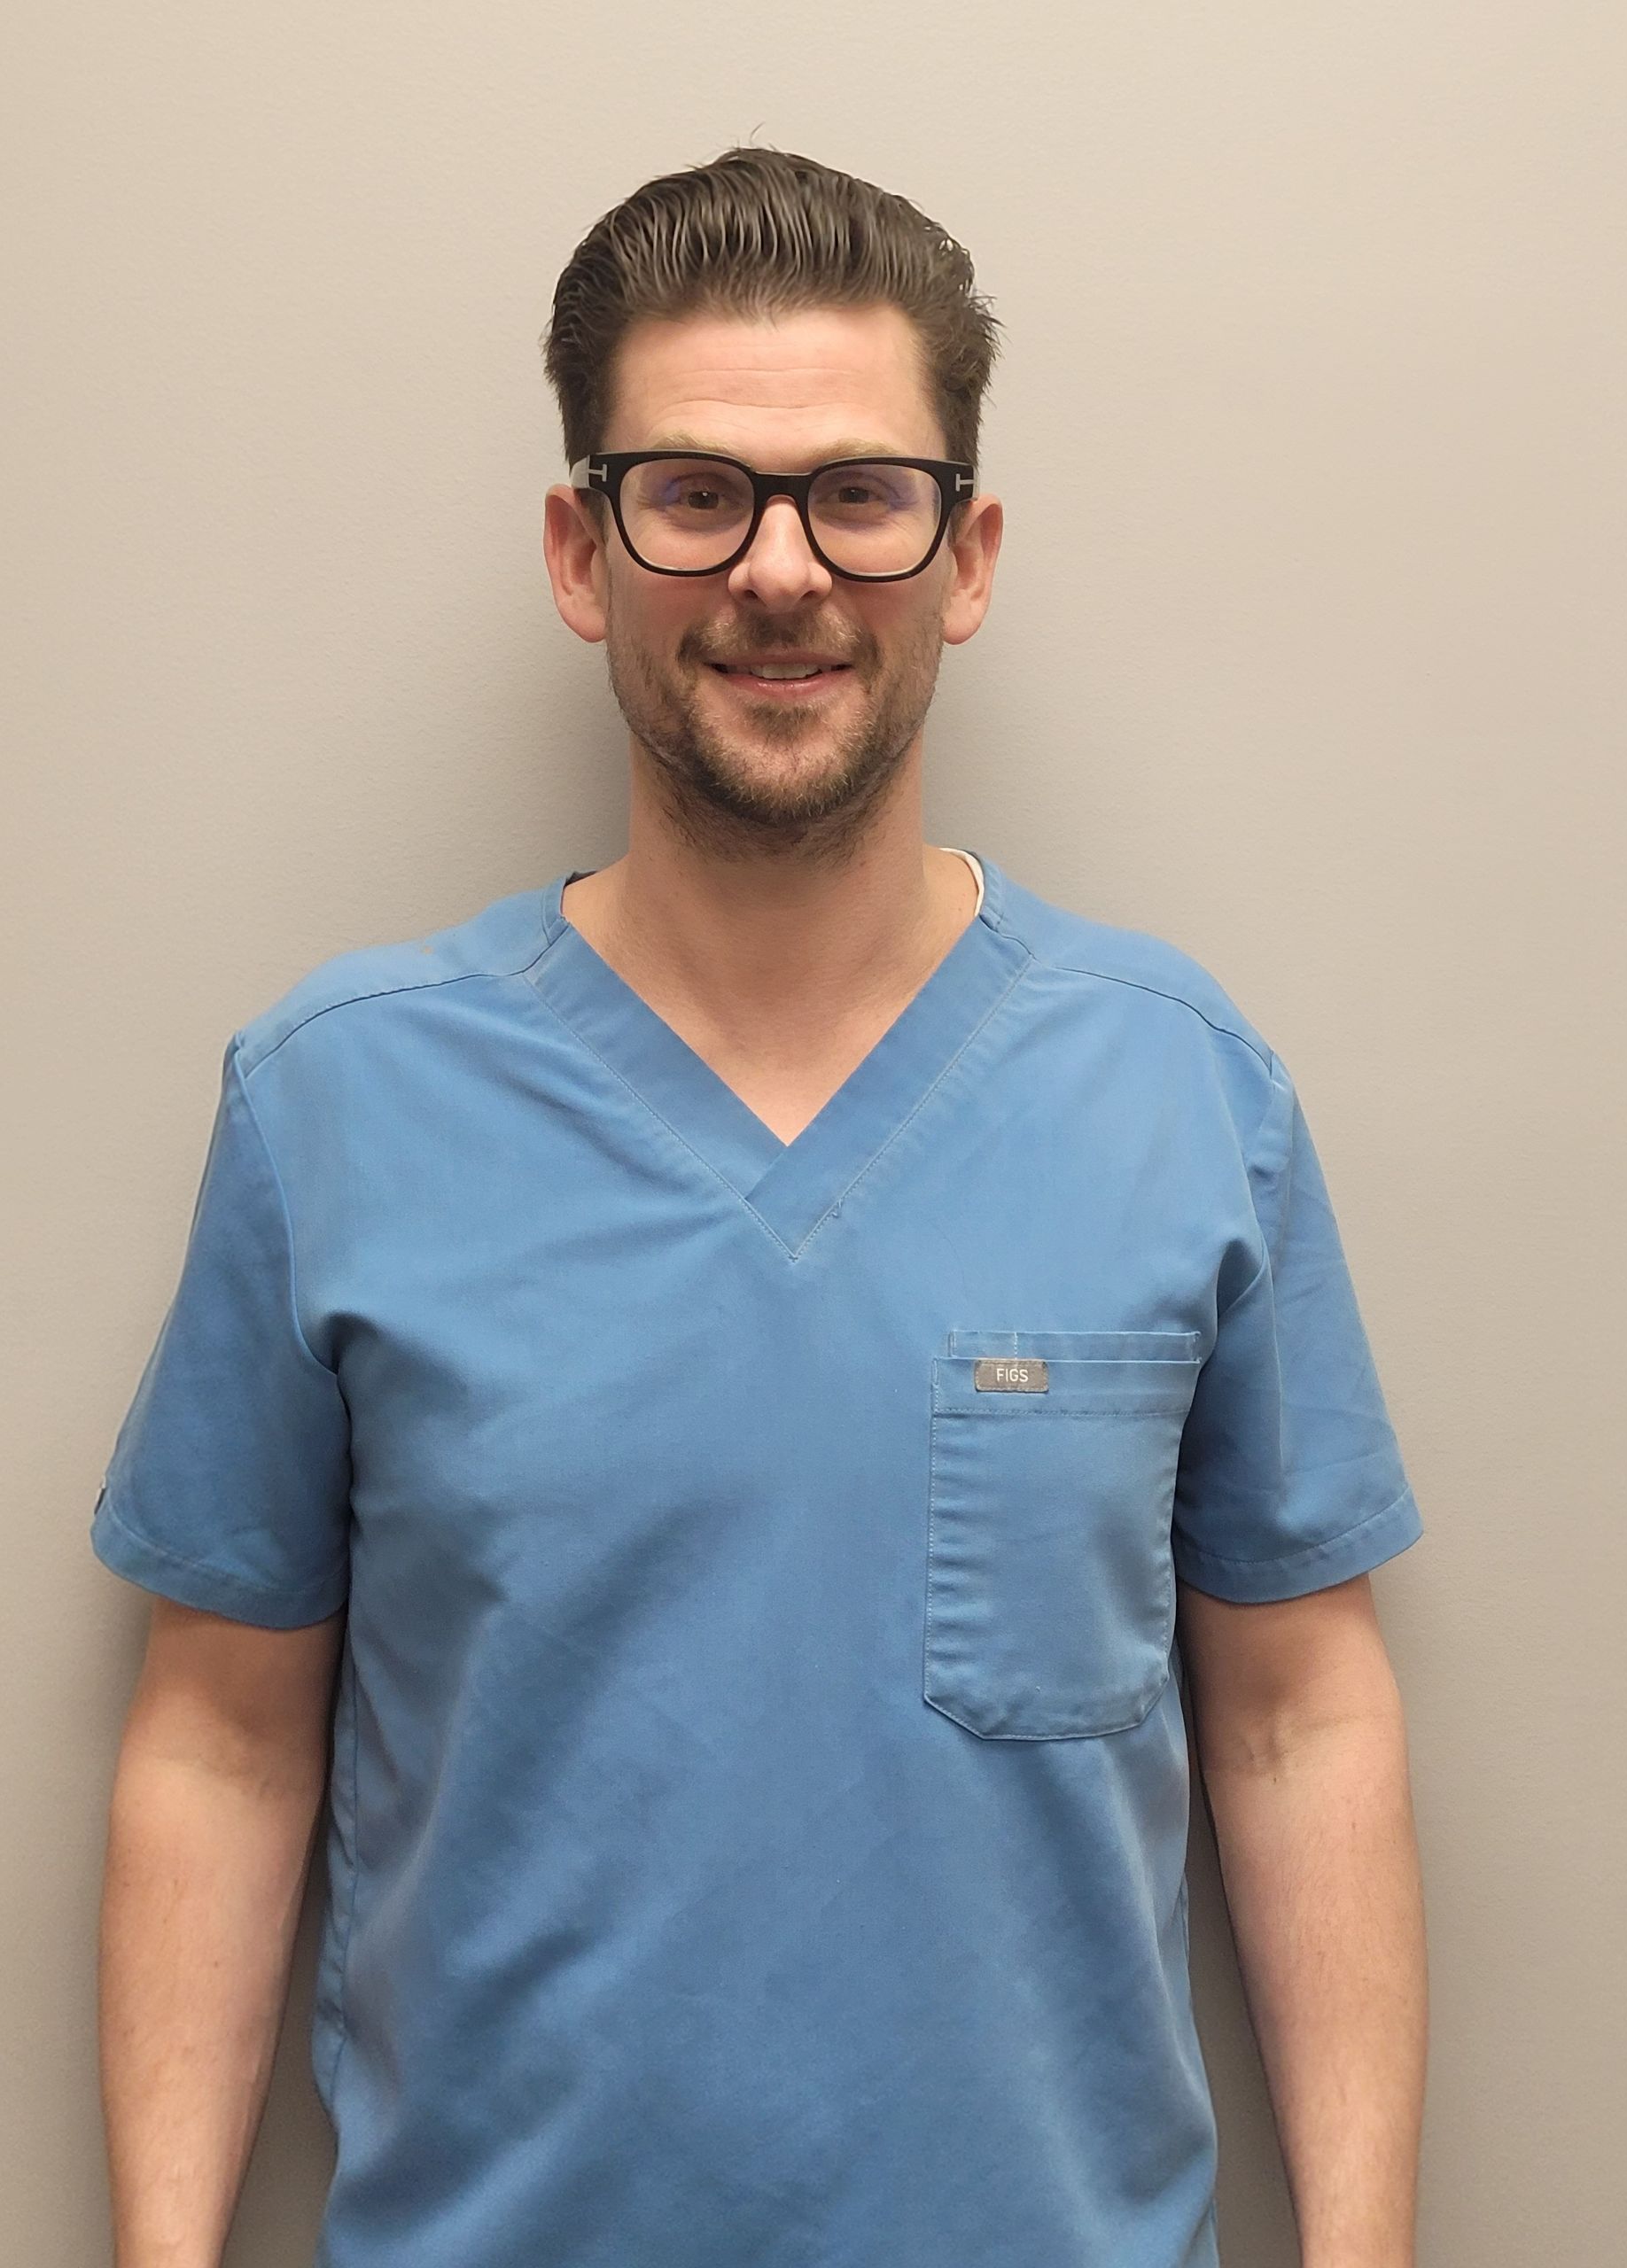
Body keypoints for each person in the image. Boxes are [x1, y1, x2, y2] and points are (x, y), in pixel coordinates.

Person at [91, 145, 1428, 2268]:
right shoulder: (339, 1099)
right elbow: (225, 1739)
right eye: (694, 491)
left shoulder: (1181, 1089)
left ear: (966, 551)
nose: (782, 571)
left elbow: (1298, 1710)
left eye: (862, 494)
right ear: (579, 545)